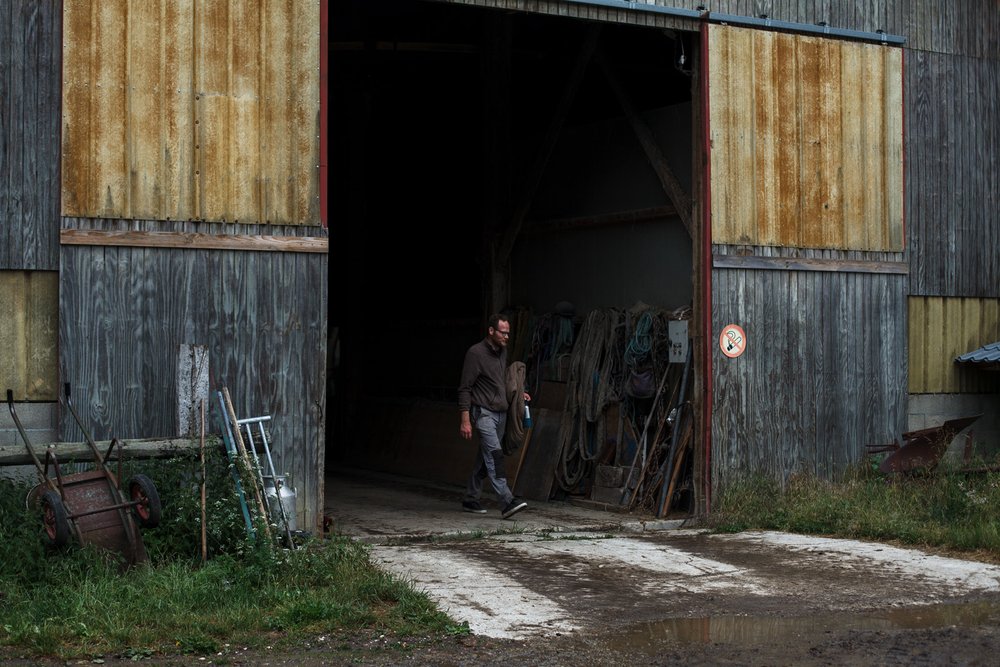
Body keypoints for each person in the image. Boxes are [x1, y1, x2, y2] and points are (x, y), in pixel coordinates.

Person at [458, 313, 530, 519]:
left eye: (508, 333)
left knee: (485, 457)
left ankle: (471, 498)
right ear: (491, 331)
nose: (507, 336)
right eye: (503, 332)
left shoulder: (502, 352)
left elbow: (499, 380)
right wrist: (465, 420)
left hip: (501, 414)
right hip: (483, 414)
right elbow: (465, 388)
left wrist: (518, 394)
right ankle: (507, 501)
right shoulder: (475, 353)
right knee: (495, 456)